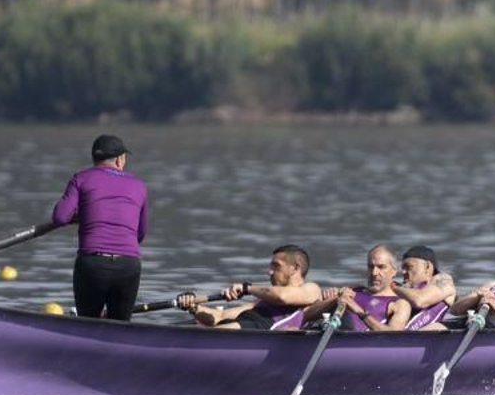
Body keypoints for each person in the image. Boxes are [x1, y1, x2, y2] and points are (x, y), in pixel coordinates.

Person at [51, 134, 148, 321]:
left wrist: (82, 212)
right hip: (128, 265)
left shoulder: (80, 179)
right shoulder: (139, 185)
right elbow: (140, 234)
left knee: (88, 325)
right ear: (120, 159)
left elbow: (60, 218)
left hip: (93, 266)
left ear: (94, 159)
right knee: (120, 327)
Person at [177, 245, 321, 330]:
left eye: (276, 266)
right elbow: (218, 316)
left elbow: (282, 297)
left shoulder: (311, 289)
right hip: (243, 326)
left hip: (257, 330)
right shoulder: (261, 303)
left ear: (295, 268)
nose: (269, 271)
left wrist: (247, 288)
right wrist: (193, 306)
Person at [303, 245, 412, 332]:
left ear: (394, 271)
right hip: (321, 331)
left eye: (381, 267)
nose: (374, 273)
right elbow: (305, 315)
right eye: (371, 267)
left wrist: (359, 311)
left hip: (353, 340)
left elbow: (393, 335)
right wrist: (333, 300)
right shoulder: (355, 290)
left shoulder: (400, 303)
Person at [392, 245, 456, 331]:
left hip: (418, 337)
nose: (403, 272)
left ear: (427, 267)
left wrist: (393, 287)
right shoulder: (404, 289)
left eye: (409, 267)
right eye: (403, 268)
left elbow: (420, 300)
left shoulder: (444, 280)